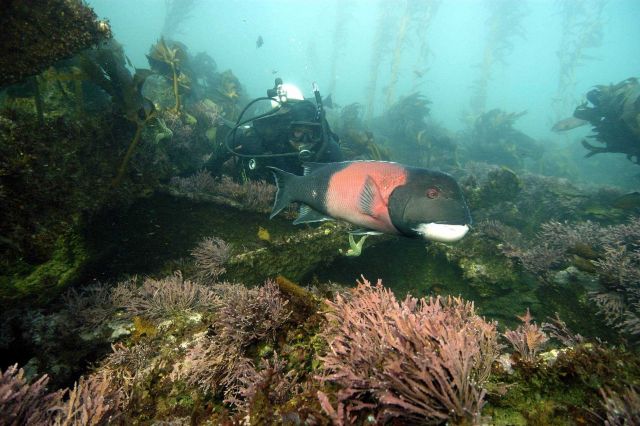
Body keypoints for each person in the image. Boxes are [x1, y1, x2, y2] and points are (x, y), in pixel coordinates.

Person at [207, 79, 342, 180]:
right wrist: (210, 167)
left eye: (311, 134)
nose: (304, 141)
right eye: (298, 132)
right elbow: (237, 139)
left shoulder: (327, 147)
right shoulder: (268, 133)